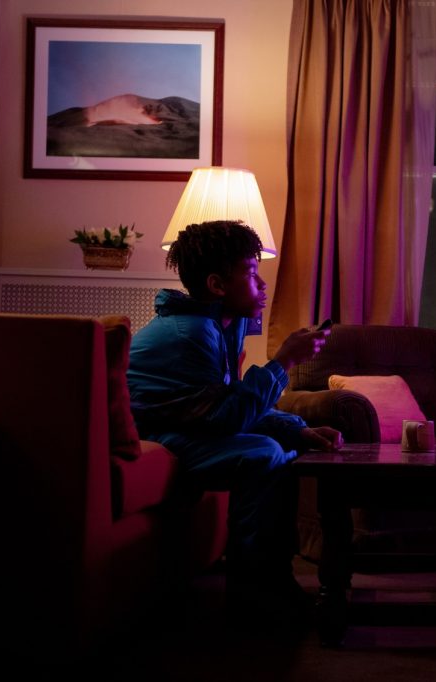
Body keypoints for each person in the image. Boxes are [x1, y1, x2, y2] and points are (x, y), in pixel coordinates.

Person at [126, 219, 342, 630]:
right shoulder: (190, 333)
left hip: (190, 426)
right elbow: (226, 419)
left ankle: (273, 580)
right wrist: (284, 361)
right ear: (217, 285)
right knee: (262, 455)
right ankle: (252, 593)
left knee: (282, 446)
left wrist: (296, 428)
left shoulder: (220, 324)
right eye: (250, 273)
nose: (261, 284)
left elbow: (226, 402)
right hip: (158, 434)